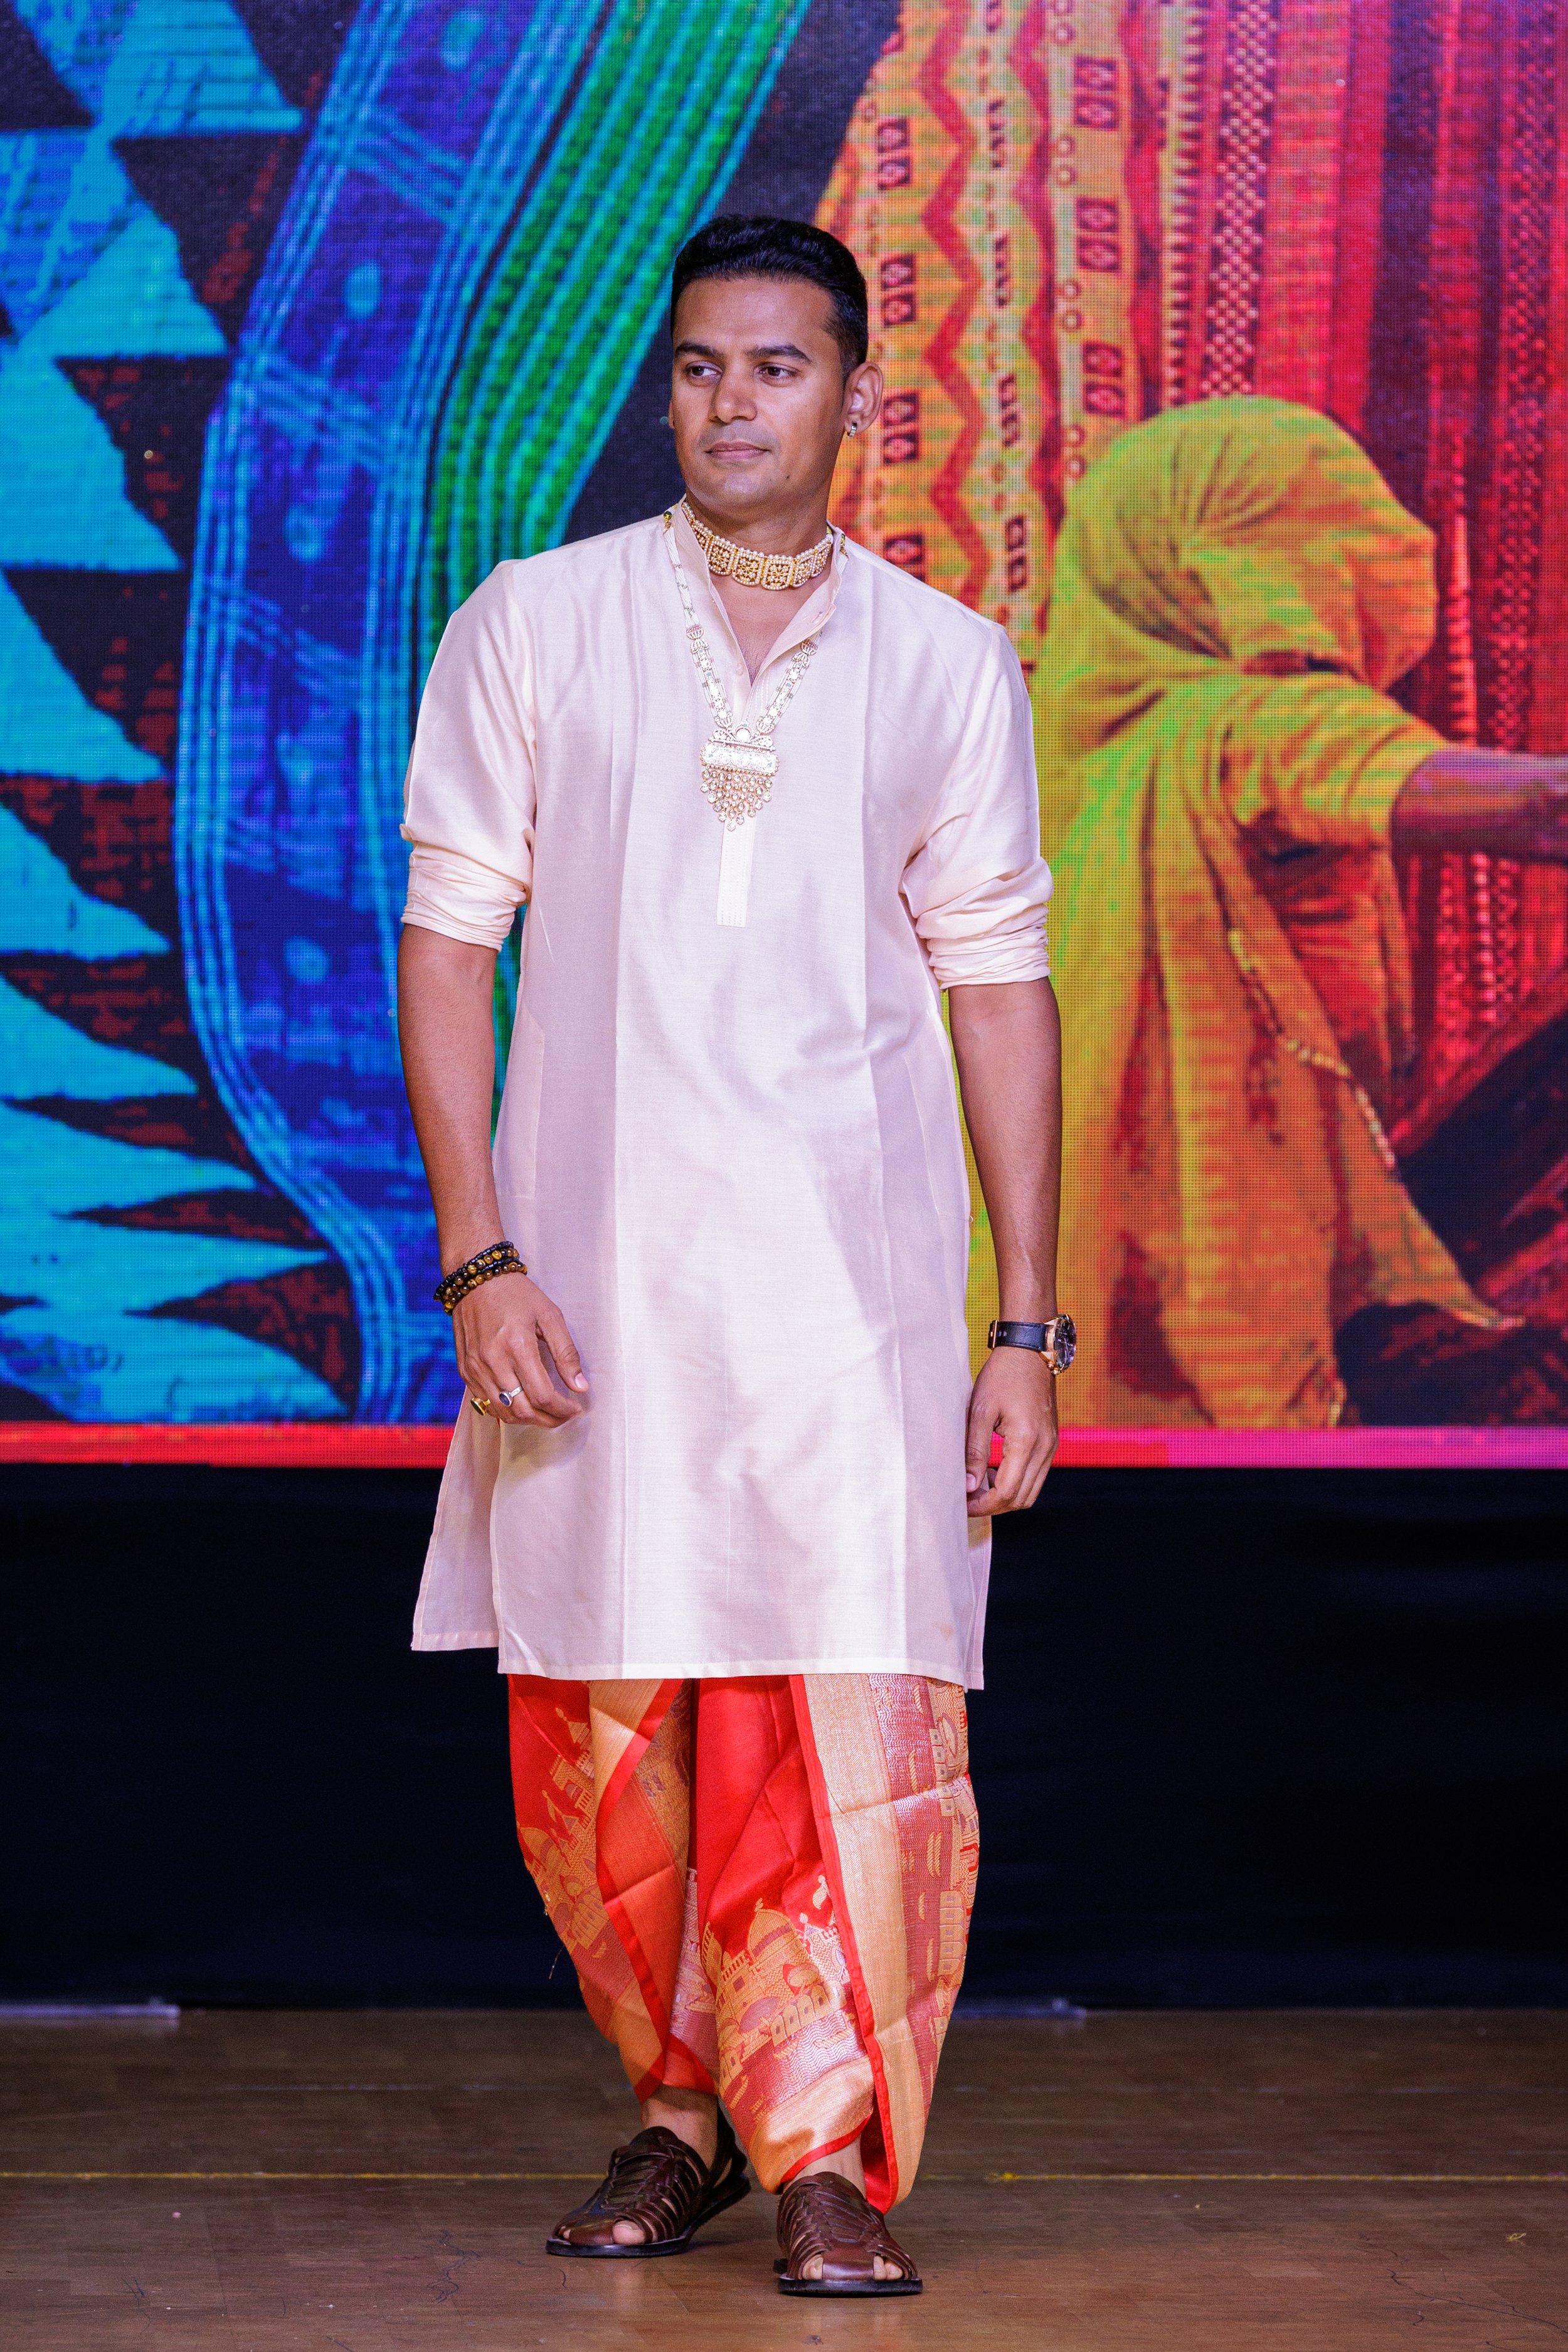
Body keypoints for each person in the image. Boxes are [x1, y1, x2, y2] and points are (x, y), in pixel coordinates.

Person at [396, 216, 1065, 2297]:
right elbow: (447, 947)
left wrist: (1024, 1326)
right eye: (698, 366)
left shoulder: (943, 659)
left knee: (837, 1705)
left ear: (857, 390)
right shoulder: (537, 621)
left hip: (856, 1305)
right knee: (610, 1715)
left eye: (778, 367)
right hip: (593, 1293)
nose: (731, 404)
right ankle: (682, 2115)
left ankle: (827, 2146)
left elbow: (1000, 989)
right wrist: (480, 1258)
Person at [1039, 395, 1568, 1429]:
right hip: (1246, 1291)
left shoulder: (1052, 767)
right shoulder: (1245, 731)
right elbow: (1547, 809)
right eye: (1309, 532)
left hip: (1079, 1298)